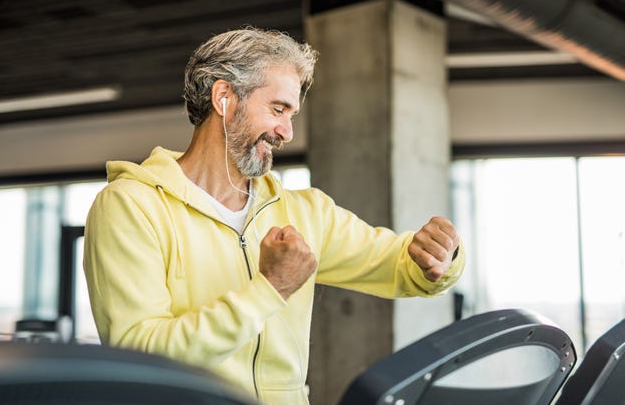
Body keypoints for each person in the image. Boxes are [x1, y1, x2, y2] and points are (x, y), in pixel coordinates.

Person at [83, 27, 465, 405]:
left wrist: (440, 255)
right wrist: (269, 289)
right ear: (224, 98)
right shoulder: (131, 207)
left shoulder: (305, 212)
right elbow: (142, 362)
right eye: (278, 109)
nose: (287, 132)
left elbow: (402, 266)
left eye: (292, 114)